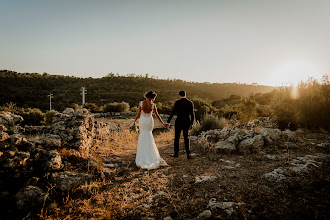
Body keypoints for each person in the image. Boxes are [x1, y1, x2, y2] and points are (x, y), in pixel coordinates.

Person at [133, 91, 169, 170]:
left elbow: (138, 114)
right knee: (149, 135)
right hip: (149, 121)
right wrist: (163, 124)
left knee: (142, 135)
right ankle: (151, 156)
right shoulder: (153, 105)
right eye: (154, 98)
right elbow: (157, 116)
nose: (154, 99)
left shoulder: (141, 103)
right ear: (151, 98)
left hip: (142, 121)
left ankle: (141, 157)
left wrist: (134, 121)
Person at [166, 91, 195, 159]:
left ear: (179, 95)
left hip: (178, 122)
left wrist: (168, 121)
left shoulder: (177, 102)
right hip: (186, 122)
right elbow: (192, 114)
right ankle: (188, 154)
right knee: (186, 138)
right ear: (185, 95)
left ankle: (176, 153)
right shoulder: (190, 103)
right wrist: (191, 123)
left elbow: (173, 112)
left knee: (177, 138)